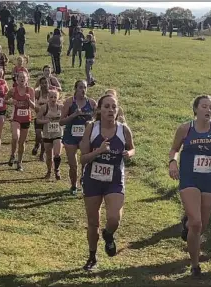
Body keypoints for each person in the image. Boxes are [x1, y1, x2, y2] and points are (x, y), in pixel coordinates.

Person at [168, 95, 211, 277]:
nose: (208, 110)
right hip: (189, 178)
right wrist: (172, 162)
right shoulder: (185, 129)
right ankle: (195, 265)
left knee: (201, 225)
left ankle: (186, 224)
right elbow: (174, 149)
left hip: (209, 179)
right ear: (196, 109)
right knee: (197, 223)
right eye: (204, 106)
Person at [79, 93, 135, 271]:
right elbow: (83, 159)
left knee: (114, 218)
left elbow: (132, 148)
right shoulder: (91, 128)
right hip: (92, 180)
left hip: (115, 179)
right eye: (107, 107)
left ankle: (108, 234)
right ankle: (92, 256)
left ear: (117, 111)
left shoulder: (123, 129)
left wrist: (129, 154)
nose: (111, 110)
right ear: (99, 110)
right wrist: (99, 151)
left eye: (114, 107)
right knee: (93, 221)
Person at [59, 80, 97, 194]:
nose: (83, 90)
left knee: (85, 163)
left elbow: (96, 119)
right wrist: (74, 115)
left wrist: (91, 121)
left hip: (85, 137)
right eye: (80, 87)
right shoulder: (69, 102)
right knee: (73, 164)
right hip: (71, 136)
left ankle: (83, 181)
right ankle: (73, 185)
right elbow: (61, 122)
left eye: (85, 87)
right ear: (75, 89)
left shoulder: (91, 103)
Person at [6, 70, 35, 171]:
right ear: (17, 80)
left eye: (24, 77)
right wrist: (11, 101)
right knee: (15, 137)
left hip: (26, 118)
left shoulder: (30, 90)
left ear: (27, 79)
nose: (22, 79)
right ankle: (12, 154)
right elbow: (5, 99)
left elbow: (34, 107)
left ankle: (19, 163)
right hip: (16, 118)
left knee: (22, 143)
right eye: (20, 77)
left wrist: (29, 100)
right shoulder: (13, 90)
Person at [36, 89, 64, 179]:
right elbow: (37, 120)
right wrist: (45, 121)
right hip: (47, 134)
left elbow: (66, 118)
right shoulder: (44, 108)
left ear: (58, 97)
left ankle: (57, 170)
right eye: (51, 97)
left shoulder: (61, 107)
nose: (53, 99)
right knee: (49, 156)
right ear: (48, 97)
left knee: (57, 154)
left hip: (58, 133)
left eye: (55, 97)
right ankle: (49, 171)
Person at [32, 77, 52, 161]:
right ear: (40, 84)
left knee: (45, 138)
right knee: (38, 135)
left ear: (48, 84)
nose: (44, 85)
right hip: (38, 118)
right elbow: (31, 95)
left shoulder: (51, 94)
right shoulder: (37, 93)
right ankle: (37, 144)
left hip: (47, 119)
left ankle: (41, 154)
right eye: (42, 83)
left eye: (45, 83)